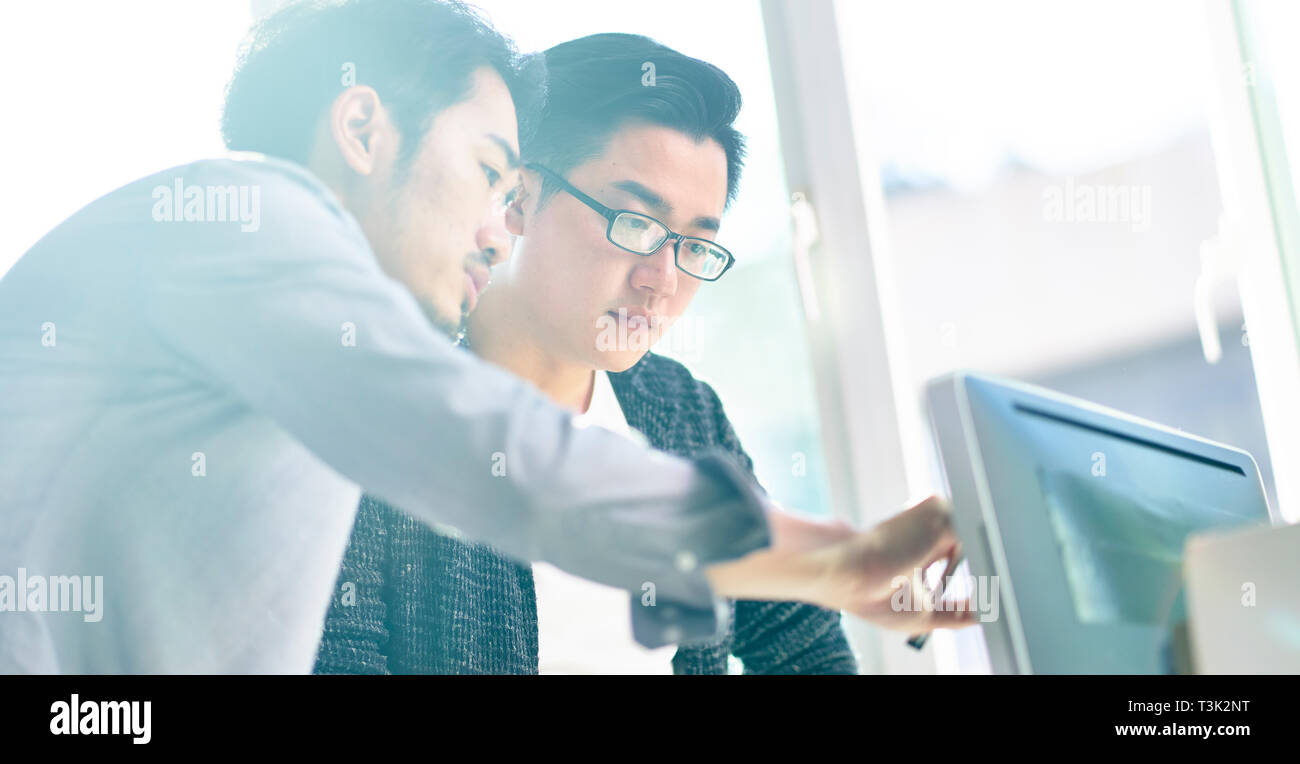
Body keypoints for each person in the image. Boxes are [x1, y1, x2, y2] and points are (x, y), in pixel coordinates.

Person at [0, 0, 970, 674]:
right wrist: (837, 559)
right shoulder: (248, 220)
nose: (496, 225)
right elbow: (495, 460)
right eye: (488, 172)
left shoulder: (286, 353)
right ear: (362, 126)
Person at [316, 33, 860, 674]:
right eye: (633, 224)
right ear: (518, 197)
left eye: (694, 245)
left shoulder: (679, 412)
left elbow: (806, 642)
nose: (661, 280)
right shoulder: (382, 414)